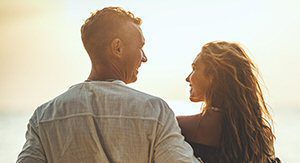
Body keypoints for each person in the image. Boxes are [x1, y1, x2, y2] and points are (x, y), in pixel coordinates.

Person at [17, 7, 199, 163]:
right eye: (140, 47)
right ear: (117, 48)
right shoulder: (155, 110)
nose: (144, 57)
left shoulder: (44, 117)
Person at [177, 41, 280, 162]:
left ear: (213, 76)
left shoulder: (182, 126)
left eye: (194, 68)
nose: (188, 78)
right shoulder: (258, 134)